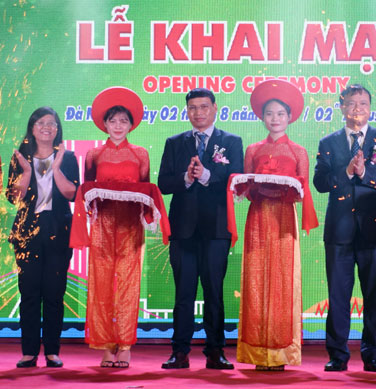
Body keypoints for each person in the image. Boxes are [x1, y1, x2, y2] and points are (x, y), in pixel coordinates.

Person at [70, 87, 166, 368]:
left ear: (131, 124)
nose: (118, 126)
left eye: (124, 121)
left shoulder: (140, 155)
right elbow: (87, 190)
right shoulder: (93, 155)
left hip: (129, 229)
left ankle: (124, 345)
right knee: (101, 284)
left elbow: (146, 192)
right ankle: (105, 346)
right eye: (113, 121)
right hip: (103, 226)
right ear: (105, 123)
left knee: (127, 284)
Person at [313, 84, 376, 373]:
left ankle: (373, 354)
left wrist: (365, 173)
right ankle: (337, 353)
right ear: (341, 107)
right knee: (338, 295)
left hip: (375, 230)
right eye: (351, 104)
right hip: (339, 231)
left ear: (370, 107)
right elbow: (320, 183)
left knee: (374, 294)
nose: (357, 109)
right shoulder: (329, 142)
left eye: (362, 104)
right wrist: (347, 172)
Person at [233, 79, 318, 371]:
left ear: (290, 117)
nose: (275, 119)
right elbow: (244, 187)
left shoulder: (298, 152)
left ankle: (281, 352)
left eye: (280, 114)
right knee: (256, 278)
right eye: (269, 113)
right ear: (262, 117)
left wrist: (285, 190)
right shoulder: (253, 150)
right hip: (257, 217)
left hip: (284, 219)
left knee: (282, 280)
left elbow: (302, 192)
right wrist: (255, 187)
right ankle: (257, 352)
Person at [158, 87, 243, 369]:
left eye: (204, 107)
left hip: (216, 229)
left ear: (215, 108)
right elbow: (163, 184)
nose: (198, 113)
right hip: (182, 230)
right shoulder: (174, 143)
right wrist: (185, 177)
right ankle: (179, 351)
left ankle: (216, 351)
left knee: (214, 294)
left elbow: (237, 178)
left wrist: (206, 175)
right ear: (187, 111)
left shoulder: (231, 142)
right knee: (183, 294)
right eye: (193, 108)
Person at [7, 107, 79, 368]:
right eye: (41, 123)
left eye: (52, 123)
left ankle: (51, 351)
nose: (47, 127)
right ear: (32, 128)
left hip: (59, 232)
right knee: (29, 293)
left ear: (58, 128)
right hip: (26, 234)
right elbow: (13, 198)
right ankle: (28, 352)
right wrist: (27, 173)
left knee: (54, 293)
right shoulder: (20, 157)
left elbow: (73, 195)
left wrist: (56, 169)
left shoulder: (68, 157)